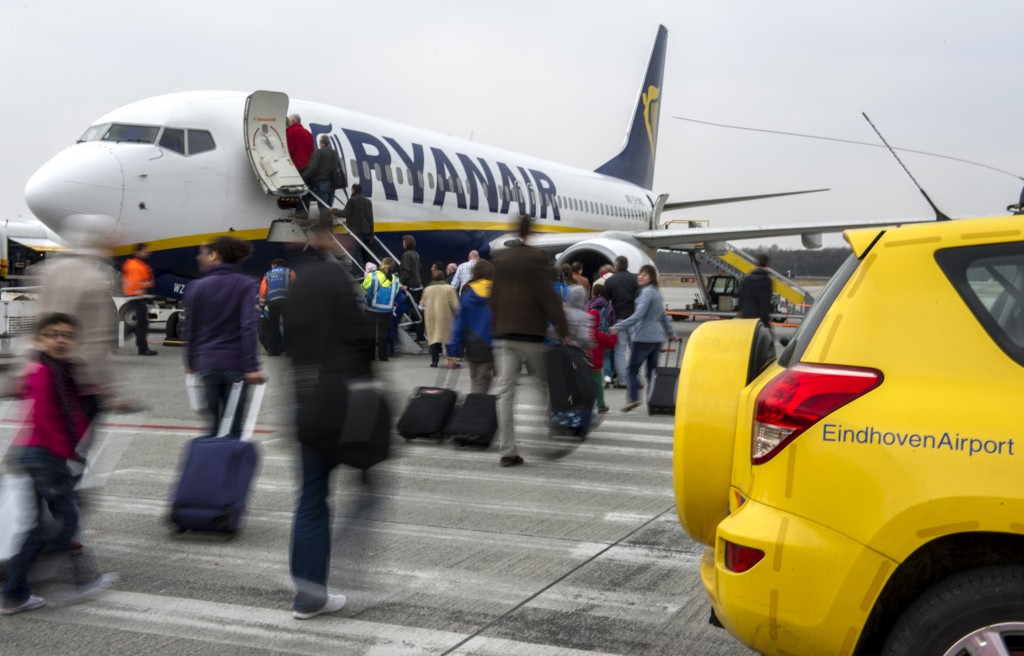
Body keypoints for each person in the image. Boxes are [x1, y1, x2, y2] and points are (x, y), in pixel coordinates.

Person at [285, 227, 374, 620]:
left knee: (310, 498)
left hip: (306, 401)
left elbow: (280, 338)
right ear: (327, 240)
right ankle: (354, 563)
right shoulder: (338, 277)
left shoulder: (296, 282)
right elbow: (360, 340)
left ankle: (307, 594)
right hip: (342, 400)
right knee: (368, 484)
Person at [2, 313, 118, 616]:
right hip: (45, 455)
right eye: (52, 334)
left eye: (67, 335)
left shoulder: (60, 370)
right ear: (39, 339)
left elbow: (73, 414)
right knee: (67, 519)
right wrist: (66, 458)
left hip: (36, 454)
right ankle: (72, 577)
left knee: (36, 526)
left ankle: (14, 594)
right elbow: (46, 419)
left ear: (76, 340)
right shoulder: (44, 371)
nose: (60, 340)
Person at [38, 214, 137, 419]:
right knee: (72, 443)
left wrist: (20, 374)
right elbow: (97, 339)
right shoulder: (96, 278)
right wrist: (111, 389)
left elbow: (37, 324)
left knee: (47, 437)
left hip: (47, 373)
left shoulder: (50, 271)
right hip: (80, 381)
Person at [490, 216, 569, 467]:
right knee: (541, 387)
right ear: (530, 233)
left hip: (503, 335)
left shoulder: (501, 261)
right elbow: (548, 297)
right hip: (531, 334)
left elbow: (492, 299)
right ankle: (545, 444)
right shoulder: (537, 259)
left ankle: (508, 451)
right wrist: (562, 328)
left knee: (504, 393)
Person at [183, 236, 265, 437]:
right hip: (235, 365)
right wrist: (252, 367)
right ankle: (229, 464)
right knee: (234, 425)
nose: (198, 257)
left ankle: (211, 461)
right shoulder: (245, 285)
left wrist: (191, 361)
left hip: (207, 364)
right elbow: (248, 325)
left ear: (214, 255)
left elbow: (190, 329)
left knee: (213, 423)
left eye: (202, 253)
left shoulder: (196, 287)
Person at [610, 264, 677, 413]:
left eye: (645, 275)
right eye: (640, 274)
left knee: (632, 368)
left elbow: (638, 315)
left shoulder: (646, 293)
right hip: (656, 338)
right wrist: (671, 333)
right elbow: (663, 317)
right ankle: (653, 400)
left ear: (651, 278)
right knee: (651, 372)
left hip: (643, 337)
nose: (640, 276)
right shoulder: (657, 293)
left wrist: (619, 327)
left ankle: (633, 398)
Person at [447, 259, 495, 393]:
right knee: (481, 383)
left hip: (472, 345)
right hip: (490, 344)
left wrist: (453, 353)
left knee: (476, 379)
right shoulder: (497, 293)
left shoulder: (467, 295)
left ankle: (474, 406)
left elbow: (458, 325)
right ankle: (475, 409)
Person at [603, 256, 638, 388]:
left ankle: (622, 380)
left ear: (616, 266)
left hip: (618, 319)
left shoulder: (610, 281)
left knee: (619, 350)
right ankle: (636, 379)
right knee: (635, 349)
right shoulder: (634, 279)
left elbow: (607, 304)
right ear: (627, 265)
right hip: (633, 318)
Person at [121, 243, 157, 356]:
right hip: (138, 297)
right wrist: (145, 297)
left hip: (137, 297)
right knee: (142, 324)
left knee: (140, 324)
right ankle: (142, 348)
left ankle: (114, 340)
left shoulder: (137, 264)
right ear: (138, 251)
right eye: (145, 251)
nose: (148, 253)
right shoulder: (136, 266)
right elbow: (137, 285)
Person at [361, 256, 399, 362]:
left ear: (382, 264)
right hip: (387, 310)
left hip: (371, 309)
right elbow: (395, 293)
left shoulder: (372, 276)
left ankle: (370, 356)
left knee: (371, 332)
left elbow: (364, 287)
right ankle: (383, 356)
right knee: (383, 333)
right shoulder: (396, 280)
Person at [420, 269, 459, 367]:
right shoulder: (449, 288)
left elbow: (421, 305)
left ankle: (434, 362)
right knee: (449, 340)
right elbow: (455, 305)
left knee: (433, 339)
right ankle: (451, 361)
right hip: (445, 317)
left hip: (431, 318)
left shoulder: (427, 289)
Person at [333, 183, 375, 271]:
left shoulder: (352, 200)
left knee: (356, 252)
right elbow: (371, 218)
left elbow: (345, 214)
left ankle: (359, 271)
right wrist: (371, 233)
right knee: (363, 253)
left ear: (353, 190)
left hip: (356, 231)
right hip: (366, 231)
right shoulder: (368, 201)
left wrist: (333, 211)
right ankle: (363, 270)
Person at [258, 259, 295, 356]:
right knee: (288, 325)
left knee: (273, 325)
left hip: (272, 302)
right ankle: (289, 350)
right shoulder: (290, 272)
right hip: (287, 301)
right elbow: (296, 286)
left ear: (274, 265)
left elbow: (263, 291)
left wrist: (261, 305)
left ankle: (273, 350)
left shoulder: (267, 274)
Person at [301, 135, 342, 220]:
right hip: (333, 183)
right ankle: (328, 226)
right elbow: (338, 166)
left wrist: (302, 177)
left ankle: (323, 228)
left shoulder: (319, 152)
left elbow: (313, 168)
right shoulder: (334, 152)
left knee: (322, 207)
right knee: (329, 206)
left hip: (322, 182)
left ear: (322, 143)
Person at [585, 284, 617, 393]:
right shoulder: (608, 306)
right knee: (606, 358)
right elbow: (613, 321)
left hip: (592, 334)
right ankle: (607, 377)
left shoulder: (589, 304)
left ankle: (592, 378)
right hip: (605, 334)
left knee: (592, 357)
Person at [398, 235, 425, 343]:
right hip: (418, 285)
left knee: (413, 311)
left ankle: (419, 335)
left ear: (406, 243)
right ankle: (419, 334)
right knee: (417, 310)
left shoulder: (406, 255)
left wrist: (401, 283)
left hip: (411, 286)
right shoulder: (416, 254)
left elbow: (406, 270)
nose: (402, 244)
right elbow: (419, 267)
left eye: (403, 242)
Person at [738, 253, 774, 329]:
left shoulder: (747, 279)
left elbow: (741, 297)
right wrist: (766, 322)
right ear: (767, 264)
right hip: (758, 318)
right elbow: (764, 302)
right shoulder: (766, 281)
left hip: (746, 315)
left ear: (756, 263)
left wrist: (742, 312)